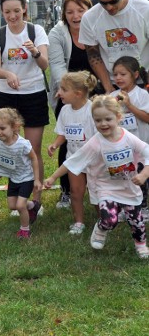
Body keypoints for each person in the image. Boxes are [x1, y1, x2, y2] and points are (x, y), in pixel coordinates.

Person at [44, 95, 149, 258]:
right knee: (109, 220)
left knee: (136, 221)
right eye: (98, 120)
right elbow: (74, 160)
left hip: (129, 187)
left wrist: (143, 175)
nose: (103, 124)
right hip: (105, 188)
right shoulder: (96, 142)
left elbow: (147, 152)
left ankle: (141, 245)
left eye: (108, 119)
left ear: (118, 117)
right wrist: (52, 177)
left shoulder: (128, 137)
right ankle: (101, 228)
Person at [0, 0, 49, 207]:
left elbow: (44, 65)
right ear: (2, 12)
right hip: (6, 96)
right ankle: (16, 196)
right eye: (7, 12)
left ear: (24, 9)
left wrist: (35, 52)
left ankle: (36, 200)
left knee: (33, 149)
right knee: (8, 147)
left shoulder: (36, 30)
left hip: (33, 94)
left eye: (16, 11)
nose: (12, 16)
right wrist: (8, 74)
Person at [47, 0, 94, 210]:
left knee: (98, 140)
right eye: (70, 12)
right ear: (64, 15)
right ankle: (67, 191)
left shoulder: (97, 26)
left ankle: (100, 187)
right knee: (68, 141)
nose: (76, 16)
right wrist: (67, 91)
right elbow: (56, 65)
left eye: (80, 10)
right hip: (67, 94)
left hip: (97, 93)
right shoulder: (57, 33)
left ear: (89, 10)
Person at [0, 108, 43, 239]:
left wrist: (37, 179)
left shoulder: (22, 144)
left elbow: (34, 158)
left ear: (15, 127)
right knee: (12, 206)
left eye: (2, 128)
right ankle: (33, 205)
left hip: (26, 178)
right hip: (13, 178)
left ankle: (24, 230)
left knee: (20, 206)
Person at [79, 0, 149, 93]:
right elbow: (93, 55)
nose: (109, 7)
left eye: (113, 1)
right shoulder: (90, 18)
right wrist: (108, 87)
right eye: (103, 3)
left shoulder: (144, 9)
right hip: (114, 82)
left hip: (144, 79)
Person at [46, 71, 97, 235]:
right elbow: (63, 133)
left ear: (78, 93)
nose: (58, 93)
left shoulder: (92, 110)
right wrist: (55, 144)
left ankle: (103, 221)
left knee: (96, 193)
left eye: (63, 89)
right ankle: (79, 222)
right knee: (76, 193)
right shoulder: (65, 110)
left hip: (94, 161)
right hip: (74, 160)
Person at [110, 56, 149, 145]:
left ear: (135, 75)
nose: (118, 78)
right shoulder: (112, 95)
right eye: (115, 75)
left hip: (141, 143)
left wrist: (129, 105)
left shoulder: (142, 94)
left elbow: (147, 118)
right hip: (120, 143)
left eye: (123, 74)